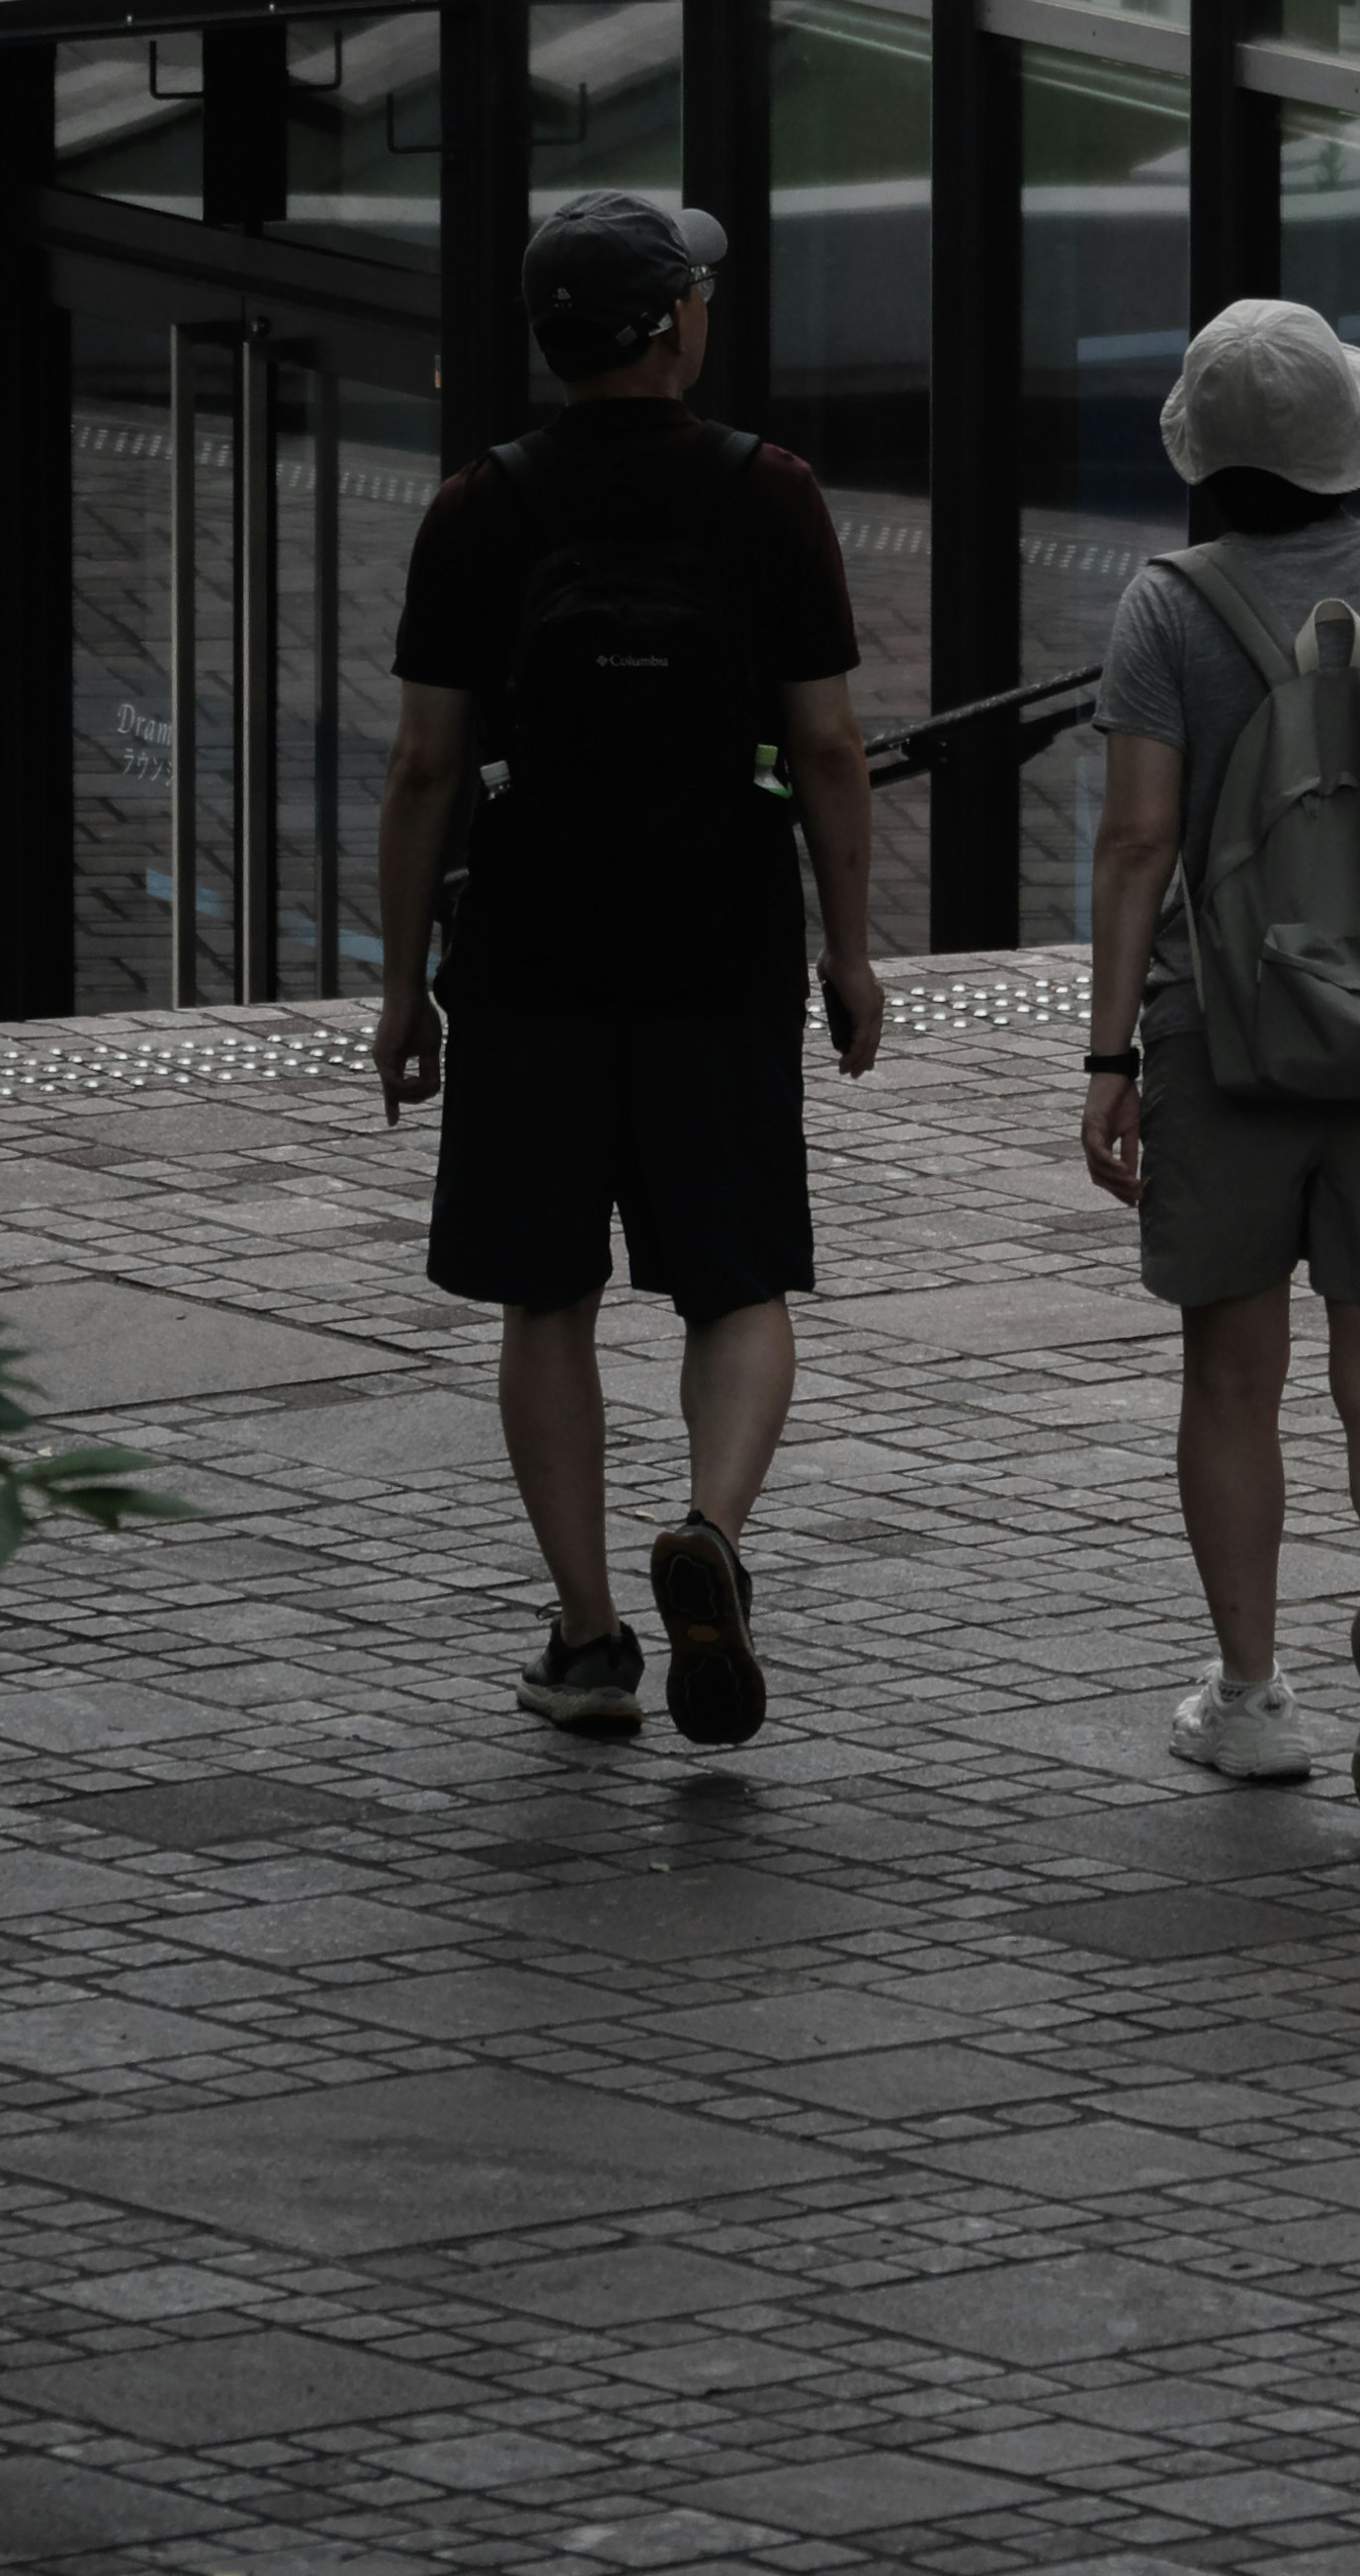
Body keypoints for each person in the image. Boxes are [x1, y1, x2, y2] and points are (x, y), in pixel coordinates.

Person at [370, 189, 886, 1750]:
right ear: (671, 326)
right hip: (719, 923)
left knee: (548, 1292)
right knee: (737, 1277)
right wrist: (849, 950)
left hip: (532, 932)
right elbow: (831, 745)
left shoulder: (484, 507)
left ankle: (590, 1638)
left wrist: (406, 984)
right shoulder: (769, 493)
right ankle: (712, 1533)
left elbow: (422, 767)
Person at [1080, 297, 1360, 1825]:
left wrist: (1109, 1050)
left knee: (1235, 1379)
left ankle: (1254, 1696)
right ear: (1352, 441)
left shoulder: (1168, 609)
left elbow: (1140, 839)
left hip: (1231, 1035)